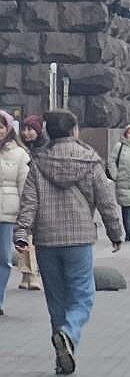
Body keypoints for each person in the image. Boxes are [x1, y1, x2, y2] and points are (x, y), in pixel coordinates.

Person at [14, 109, 123, 375]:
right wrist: (116, 233)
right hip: (79, 238)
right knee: (83, 295)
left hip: (47, 239)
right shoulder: (90, 161)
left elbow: (29, 202)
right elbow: (106, 201)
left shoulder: (38, 163)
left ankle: (61, 353)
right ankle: (68, 333)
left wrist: (21, 233)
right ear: (74, 131)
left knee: (57, 300)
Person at [0, 113, 31, 315]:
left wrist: (25, 216)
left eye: (1, 127)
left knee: (3, 257)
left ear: (9, 129)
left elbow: (24, 185)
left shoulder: (20, 154)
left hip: (7, 213)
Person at [15, 115, 45, 290]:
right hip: (21, 197)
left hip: (37, 198)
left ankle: (32, 274)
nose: (26, 133)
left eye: (30, 129)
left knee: (31, 237)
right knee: (23, 237)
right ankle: (27, 273)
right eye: (24, 129)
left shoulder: (44, 149)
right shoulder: (20, 149)